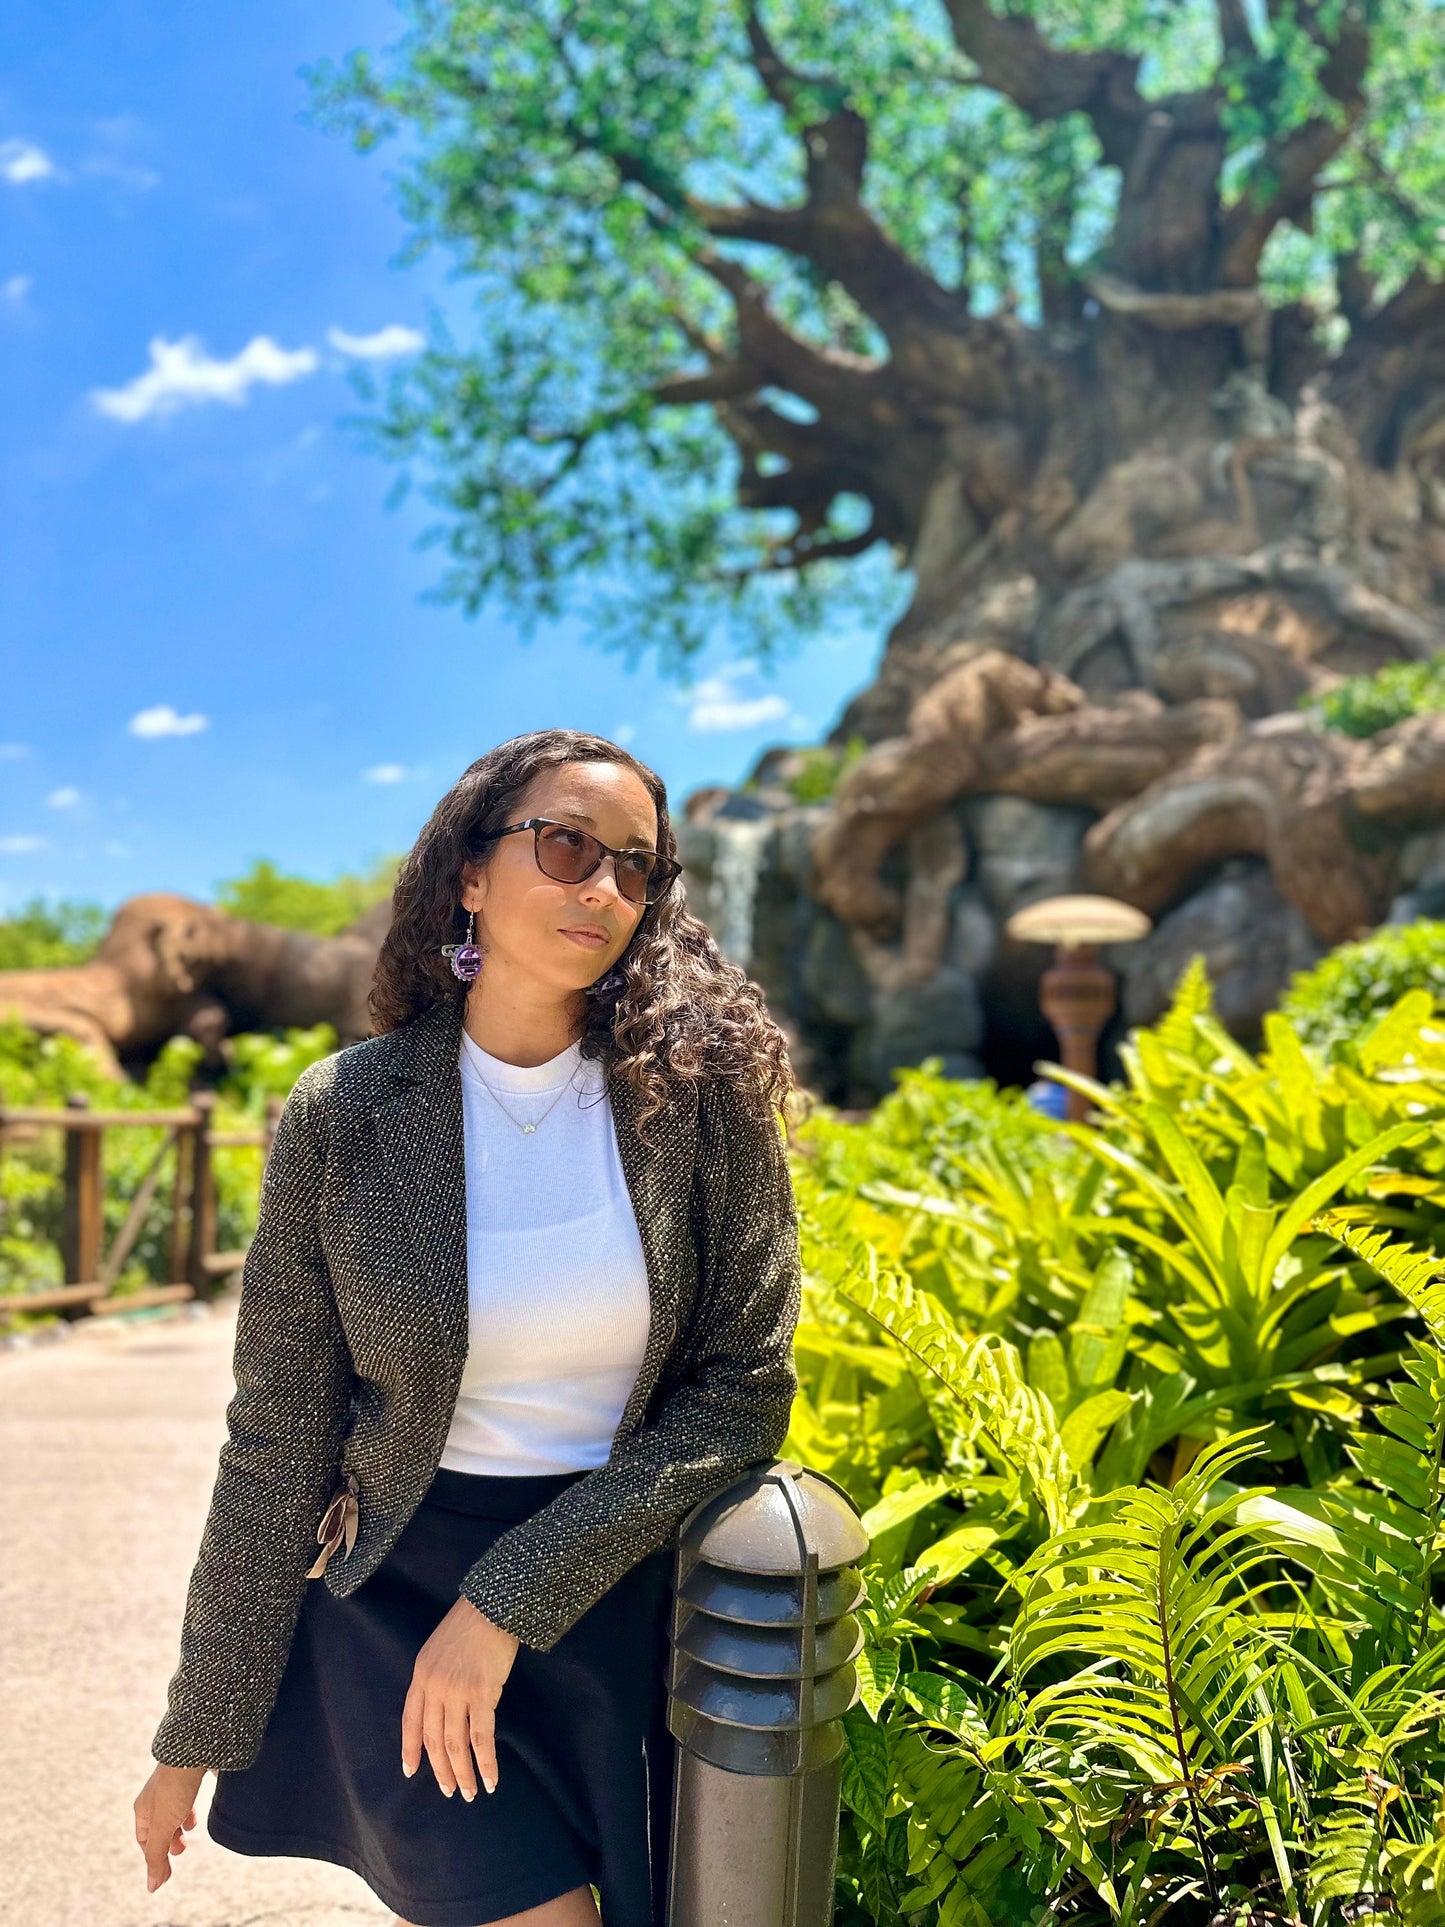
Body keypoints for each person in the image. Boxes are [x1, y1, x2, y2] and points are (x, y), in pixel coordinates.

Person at [131, 728, 804, 1927]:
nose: (602, 887)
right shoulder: (344, 1112)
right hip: (397, 1604)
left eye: (635, 866)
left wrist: (506, 1602)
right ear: (470, 876)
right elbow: (277, 1437)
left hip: (624, 1589)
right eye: (565, 845)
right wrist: (195, 1732)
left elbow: (741, 1390)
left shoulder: (704, 1101)